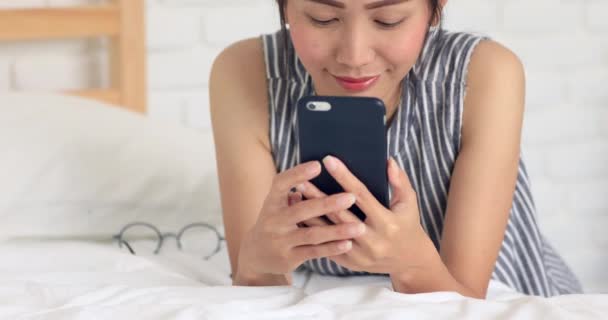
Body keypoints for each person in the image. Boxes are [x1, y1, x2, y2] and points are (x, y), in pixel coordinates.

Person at [209, 0, 582, 298]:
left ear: (434, 10)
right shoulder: (246, 73)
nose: (354, 56)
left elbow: (467, 301)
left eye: (388, 20)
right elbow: (253, 286)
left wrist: (413, 264)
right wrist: (257, 266)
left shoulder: (483, 75)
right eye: (322, 18)